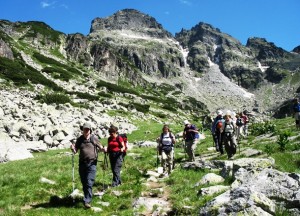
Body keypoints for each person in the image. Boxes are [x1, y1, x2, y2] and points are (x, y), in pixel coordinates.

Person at [70, 122, 104, 208]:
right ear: (82, 130)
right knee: (84, 182)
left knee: (89, 182)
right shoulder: (80, 139)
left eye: (87, 129)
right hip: (82, 163)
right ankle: (87, 197)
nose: (86, 130)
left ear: (90, 130)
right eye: (84, 129)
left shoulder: (94, 138)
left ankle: (87, 201)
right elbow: (75, 151)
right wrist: (73, 148)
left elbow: (101, 148)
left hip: (92, 163)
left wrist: (104, 149)